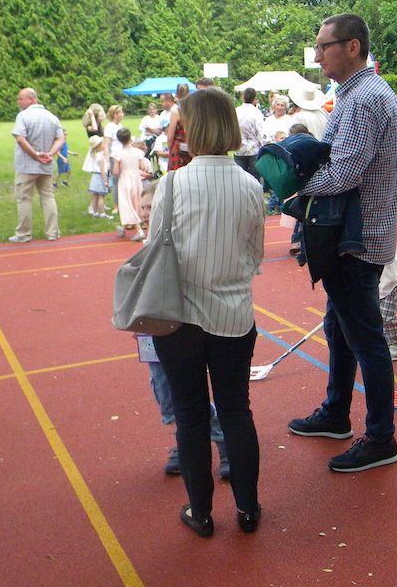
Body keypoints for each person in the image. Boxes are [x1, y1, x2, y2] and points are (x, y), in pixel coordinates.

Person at [287, 13, 397, 473]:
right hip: (355, 235)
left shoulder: (363, 99)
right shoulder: (358, 93)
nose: (317, 56)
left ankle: (381, 438)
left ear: (352, 46)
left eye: (324, 46)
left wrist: (294, 189)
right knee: (339, 328)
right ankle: (337, 412)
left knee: (366, 339)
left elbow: (344, 173)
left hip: (356, 239)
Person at [150, 87, 265, 537]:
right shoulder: (250, 185)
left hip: (179, 317)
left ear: (193, 129)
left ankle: (200, 513)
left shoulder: (173, 184)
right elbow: (255, 254)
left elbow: (154, 251)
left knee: (191, 414)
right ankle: (248, 509)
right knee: (237, 410)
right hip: (234, 315)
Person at [9, 88, 64, 243]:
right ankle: (53, 232)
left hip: (26, 165)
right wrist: (50, 153)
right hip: (46, 165)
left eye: (21, 99)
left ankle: (24, 234)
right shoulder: (52, 117)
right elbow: (60, 138)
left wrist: (35, 155)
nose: (18, 102)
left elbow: (20, 139)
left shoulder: (23, 116)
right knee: (48, 197)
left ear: (32, 99)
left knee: (24, 199)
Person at [114, 128, 150, 241]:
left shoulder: (118, 153)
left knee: (126, 204)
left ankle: (139, 231)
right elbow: (143, 167)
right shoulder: (138, 152)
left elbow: (116, 171)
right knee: (136, 203)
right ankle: (123, 228)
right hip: (136, 178)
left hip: (125, 179)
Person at [233, 88, 264, 181]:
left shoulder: (236, 111)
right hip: (253, 148)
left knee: (240, 178)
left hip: (239, 148)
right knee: (254, 178)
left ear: (243, 97)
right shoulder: (256, 112)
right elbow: (260, 131)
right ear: (255, 98)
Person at [165, 84, 193, 172]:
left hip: (178, 149)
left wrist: (170, 149)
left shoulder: (175, 111)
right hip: (192, 146)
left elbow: (170, 136)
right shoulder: (194, 109)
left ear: (176, 94)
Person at [84, 135, 111, 218]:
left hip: (94, 177)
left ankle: (95, 212)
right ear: (99, 146)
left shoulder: (94, 154)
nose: (104, 145)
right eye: (102, 143)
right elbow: (102, 171)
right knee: (101, 196)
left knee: (94, 196)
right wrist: (105, 181)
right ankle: (102, 213)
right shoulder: (101, 157)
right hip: (100, 177)